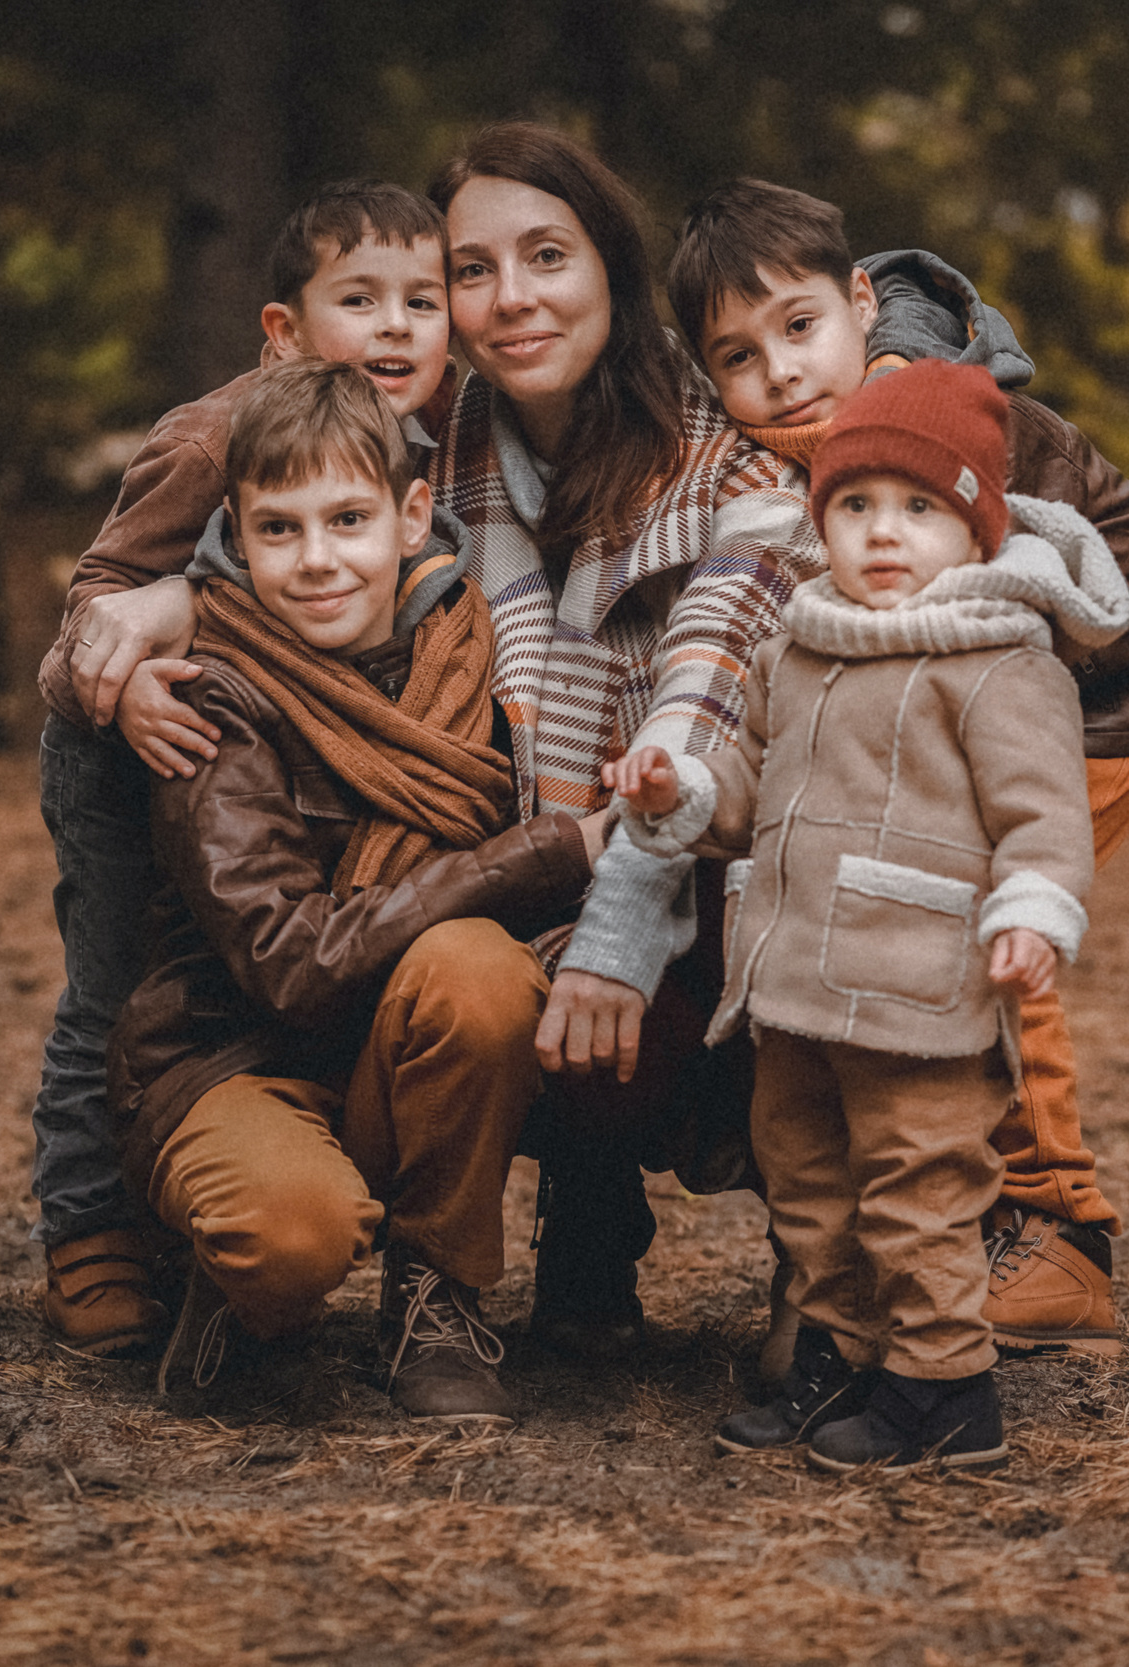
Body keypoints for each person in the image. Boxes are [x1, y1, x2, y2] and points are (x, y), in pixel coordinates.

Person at [662, 178, 1129, 1365]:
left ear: (860, 301)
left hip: (1118, 682)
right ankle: (943, 1219)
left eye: (799, 327)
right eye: (737, 354)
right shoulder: (807, 430)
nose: (779, 370)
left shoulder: (925, 407)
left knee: (974, 917)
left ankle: (1056, 1228)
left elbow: (979, 595)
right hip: (1003, 691)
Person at [603, 359, 1129, 1470]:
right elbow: (744, 787)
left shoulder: (996, 660)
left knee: (917, 1186)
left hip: (917, 993)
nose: (882, 533)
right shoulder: (796, 643)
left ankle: (942, 1384)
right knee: (807, 1180)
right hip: (792, 988)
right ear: (820, 520)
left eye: (918, 508)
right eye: (854, 505)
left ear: (976, 530)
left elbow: (1045, 813)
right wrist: (678, 792)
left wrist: (1033, 908)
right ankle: (837, 1352)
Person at [102, 358, 596, 1421]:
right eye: (279, 529)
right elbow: (289, 964)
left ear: (413, 514)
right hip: (233, 1056)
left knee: (480, 972)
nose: (317, 559)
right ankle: (237, 1296)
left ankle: (435, 1295)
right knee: (291, 1238)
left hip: (392, 1048)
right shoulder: (209, 694)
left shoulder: (477, 651)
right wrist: (539, 855)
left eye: (346, 519)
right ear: (234, 526)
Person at [28, 182, 464, 1357]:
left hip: (265, 740)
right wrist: (121, 681)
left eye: (421, 301)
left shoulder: (440, 430)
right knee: (113, 981)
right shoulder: (213, 434)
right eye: (358, 300)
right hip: (128, 741)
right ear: (281, 332)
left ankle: (213, 1198)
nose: (394, 328)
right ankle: (86, 1236)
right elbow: (95, 598)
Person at [422, 124, 831, 1360]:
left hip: (693, 865)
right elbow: (263, 472)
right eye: (472, 270)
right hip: (503, 855)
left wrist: (616, 907)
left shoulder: (729, 440)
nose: (512, 299)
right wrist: (154, 591)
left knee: (771, 884)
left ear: (609, 262)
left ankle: (822, 1251)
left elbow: (705, 686)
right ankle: (580, 1211)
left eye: (546, 254)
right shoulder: (427, 452)